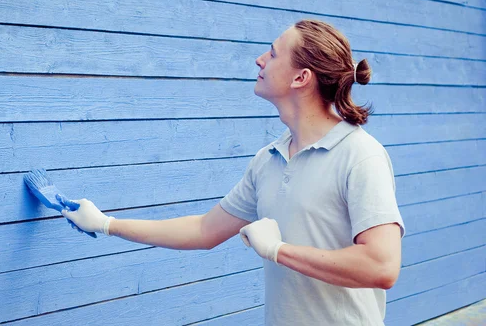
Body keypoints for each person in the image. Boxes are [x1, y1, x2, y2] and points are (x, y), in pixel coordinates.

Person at [59, 19, 405, 325]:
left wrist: (278, 250)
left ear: (302, 77)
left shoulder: (360, 155)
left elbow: (381, 266)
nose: (260, 60)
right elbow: (203, 230)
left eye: (272, 54)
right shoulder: (269, 159)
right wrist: (106, 224)